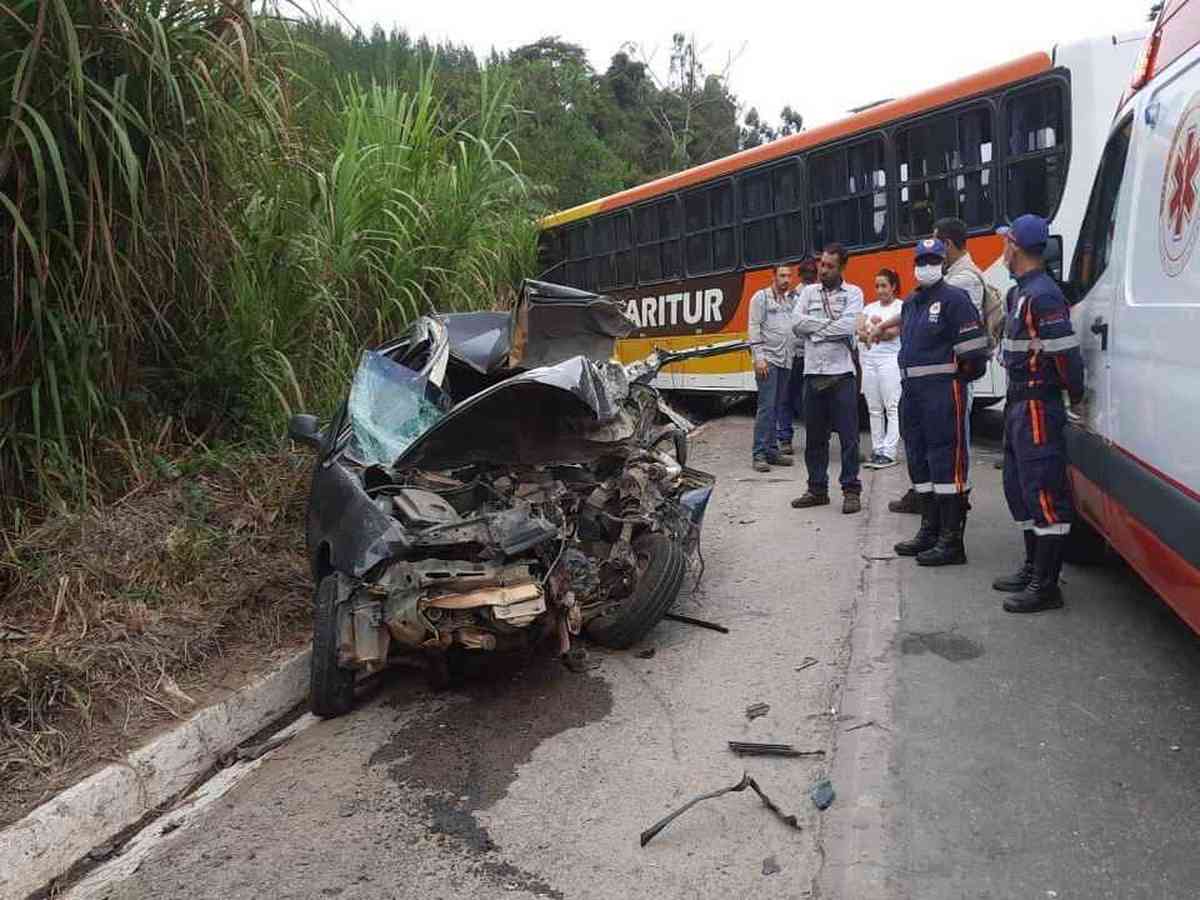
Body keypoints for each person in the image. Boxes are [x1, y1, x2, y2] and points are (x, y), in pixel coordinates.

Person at [991, 214, 1085, 613]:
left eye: (1005, 242)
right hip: (1017, 402)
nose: (1002, 249)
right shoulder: (1020, 294)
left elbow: (1065, 355)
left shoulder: (1043, 295)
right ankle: (1033, 568)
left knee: (1044, 491)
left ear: (1016, 246)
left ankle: (1047, 585)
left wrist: (1074, 395)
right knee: (1019, 488)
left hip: (1035, 404)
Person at [892, 238, 989, 566]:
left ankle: (951, 541)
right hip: (912, 394)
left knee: (946, 461)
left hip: (943, 393)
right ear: (914, 264)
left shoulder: (955, 299)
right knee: (919, 460)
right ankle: (929, 529)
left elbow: (975, 354)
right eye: (922, 260)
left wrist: (956, 384)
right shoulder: (910, 303)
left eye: (933, 260)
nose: (927, 266)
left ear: (943, 262)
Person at [790, 244, 864, 515]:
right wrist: (827, 330)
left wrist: (815, 331)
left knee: (848, 437)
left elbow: (849, 325)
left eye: (830, 266)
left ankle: (851, 490)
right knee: (815, 438)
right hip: (813, 374)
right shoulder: (808, 292)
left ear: (842, 267)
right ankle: (817, 489)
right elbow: (795, 323)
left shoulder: (854, 293)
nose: (823, 270)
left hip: (842, 374)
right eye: (822, 264)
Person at [748, 265, 800, 472]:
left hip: (786, 360)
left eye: (789, 276)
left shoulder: (789, 300)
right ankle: (758, 454)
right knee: (766, 408)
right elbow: (753, 327)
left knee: (777, 407)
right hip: (768, 360)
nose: (786, 279)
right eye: (782, 276)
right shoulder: (760, 298)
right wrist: (759, 358)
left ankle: (772, 451)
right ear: (774, 277)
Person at [857, 268, 903, 468]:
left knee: (892, 407)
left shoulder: (900, 307)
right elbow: (858, 330)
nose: (880, 290)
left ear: (893, 286)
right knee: (874, 408)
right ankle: (877, 449)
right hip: (868, 361)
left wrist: (872, 334)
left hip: (889, 360)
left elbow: (893, 332)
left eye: (884, 285)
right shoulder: (869, 307)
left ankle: (890, 452)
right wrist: (871, 333)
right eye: (877, 286)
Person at [777, 256, 818, 455]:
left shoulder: (820, 295)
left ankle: (815, 438)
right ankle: (784, 439)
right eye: (807, 274)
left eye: (813, 273)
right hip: (793, 355)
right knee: (786, 397)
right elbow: (791, 326)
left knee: (811, 400)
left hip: (812, 355)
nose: (810, 277)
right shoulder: (792, 297)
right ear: (801, 276)